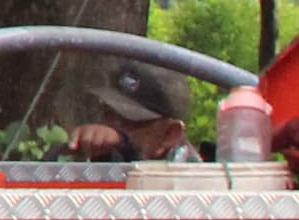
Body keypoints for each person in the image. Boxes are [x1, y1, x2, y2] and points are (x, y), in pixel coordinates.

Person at [69, 60, 204, 162]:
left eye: (129, 120)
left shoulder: (190, 182)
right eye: (108, 112)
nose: (110, 129)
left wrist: (124, 144)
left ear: (169, 134)